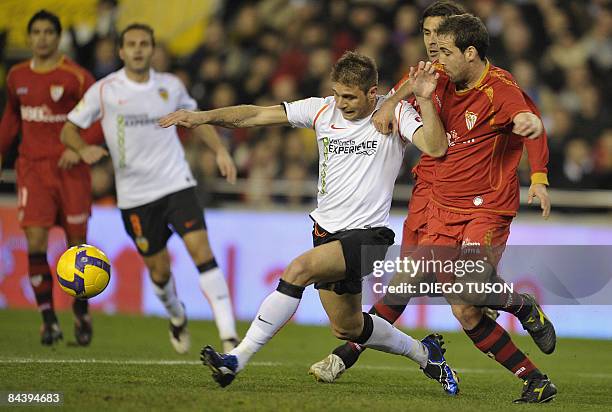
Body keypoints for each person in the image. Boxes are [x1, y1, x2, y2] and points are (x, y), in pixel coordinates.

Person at [159, 51, 459, 394]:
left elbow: (435, 148)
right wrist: (201, 117)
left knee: (298, 270)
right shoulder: (322, 108)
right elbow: (255, 115)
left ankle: (235, 359)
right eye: (337, 94)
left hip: (369, 237)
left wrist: (424, 100)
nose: (341, 103)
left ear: (372, 93)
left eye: (350, 96)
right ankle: (427, 354)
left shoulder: (395, 114)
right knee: (348, 328)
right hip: (327, 233)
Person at [310, 0, 553, 388]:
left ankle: (348, 355)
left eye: (439, 41)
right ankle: (533, 375)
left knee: (461, 292)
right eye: (426, 36)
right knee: (422, 288)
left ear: (464, 47)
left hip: (483, 204)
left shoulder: (499, 88)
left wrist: (538, 176)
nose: (431, 48)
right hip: (433, 196)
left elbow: (530, 121)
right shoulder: (432, 75)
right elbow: (405, 90)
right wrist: (390, 102)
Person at [60, 23, 240, 354]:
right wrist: (82, 149)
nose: (139, 49)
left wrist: (219, 150)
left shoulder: (171, 86)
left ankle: (229, 335)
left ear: (152, 48)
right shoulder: (105, 89)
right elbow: (69, 128)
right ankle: (176, 315)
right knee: (159, 273)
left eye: (144, 43)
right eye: (132, 44)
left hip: (176, 184)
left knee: (202, 251)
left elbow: (195, 120)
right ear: (121, 51)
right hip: (134, 197)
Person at [0, 10, 102, 346]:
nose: (42, 38)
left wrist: (81, 146)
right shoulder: (16, 76)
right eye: (36, 32)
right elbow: (12, 120)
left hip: (70, 171)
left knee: (77, 249)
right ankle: (48, 319)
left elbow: (100, 117)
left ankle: (81, 308)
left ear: (58, 38)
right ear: (29, 38)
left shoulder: (76, 76)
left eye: (48, 32)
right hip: (33, 170)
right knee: (36, 243)